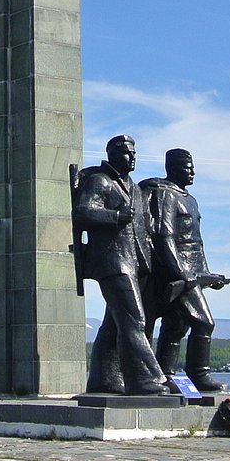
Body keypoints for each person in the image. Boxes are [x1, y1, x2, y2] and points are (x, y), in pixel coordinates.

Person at [73, 135, 170, 396]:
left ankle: (103, 380)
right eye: (127, 152)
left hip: (135, 262)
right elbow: (81, 212)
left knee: (113, 324)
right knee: (134, 320)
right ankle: (145, 380)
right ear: (113, 154)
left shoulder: (135, 189)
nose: (133, 157)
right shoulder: (100, 181)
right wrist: (115, 216)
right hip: (111, 261)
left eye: (134, 152)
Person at [140, 148, 230, 393]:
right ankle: (199, 373)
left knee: (176, 324)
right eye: (186, 166)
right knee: (204, 322)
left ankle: (165, 375)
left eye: (192, 167)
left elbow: (196, 243)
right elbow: (164, 237)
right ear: (172, 167)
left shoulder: (190, 199)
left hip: (193, 273)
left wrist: (207, 275)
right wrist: (181, 273)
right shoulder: (165, 195)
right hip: (176, 273)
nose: (192, 172)